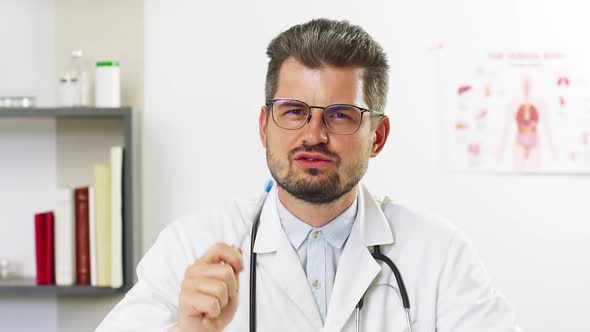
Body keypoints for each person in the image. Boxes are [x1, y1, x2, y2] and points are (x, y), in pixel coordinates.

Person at [97, 18, 521, 331]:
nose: (313, 135)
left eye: (340, 116)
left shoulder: (439, 255)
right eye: (294, 112)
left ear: (378, 135)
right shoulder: (191, 247)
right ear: (265, 126)